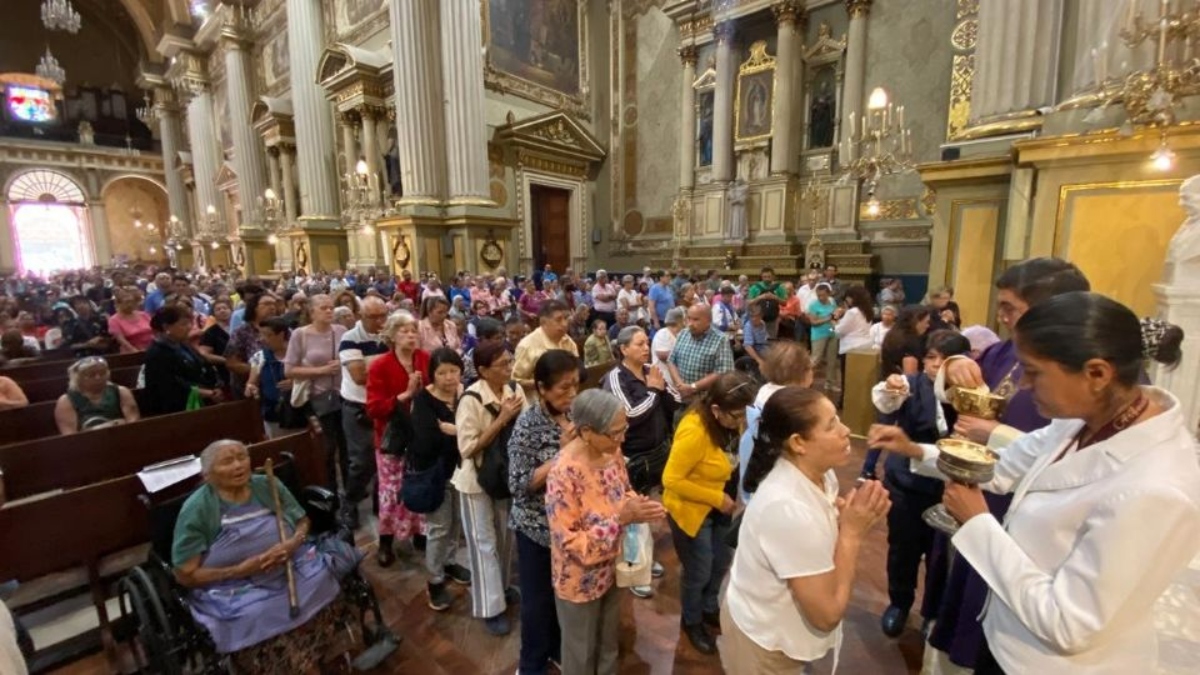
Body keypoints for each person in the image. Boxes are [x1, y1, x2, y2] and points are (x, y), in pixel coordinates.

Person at [870, 293, 1197, 673]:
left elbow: (1068, 624)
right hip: (1009, 636)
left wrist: (977, 524)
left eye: (1034, 372)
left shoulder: (1156, 489)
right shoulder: (1084, 420)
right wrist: (916, 450)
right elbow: (1005, 465)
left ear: (1097, 374)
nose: (1023, 384)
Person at [907, 257, 1090, 672]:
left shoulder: (1082, 373)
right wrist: (954, 365)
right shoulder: (1006, 351)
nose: (1001, 317)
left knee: (992, 614)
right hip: (980, 493)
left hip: (1023, 520)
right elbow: (955, 395)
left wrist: (994, 434)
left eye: (1010, 308)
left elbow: (1064, 453)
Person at [721, 387, 890, 674]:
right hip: (765, 646)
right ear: (798, 442)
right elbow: (826, 615)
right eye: (832, 425)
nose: (846, 431)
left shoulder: (821, 473)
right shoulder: (787, 508)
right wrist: (851, 533)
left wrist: (838, 514)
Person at [172, 440, 353, 674]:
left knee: (321, 579)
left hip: (289, 563)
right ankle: (287, 665)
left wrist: (292, 544)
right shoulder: (197, 508)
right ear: (207, 475)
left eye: (242, 457)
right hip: (234, 583)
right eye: (227, 461)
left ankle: (318, 652)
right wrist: (239, 570)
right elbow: (185, 575)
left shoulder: (267, 484)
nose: (238, 465)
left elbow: (302, 521)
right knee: (255, 613)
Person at [546, 389, 666, 675]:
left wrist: (639, 506)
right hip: (579, 579)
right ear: (587, 431)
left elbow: (622, 491)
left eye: (624, 429)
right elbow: (569, 542)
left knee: (608, 642)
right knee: (580, 652)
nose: (622, 439)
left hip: (612, 566)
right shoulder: (564, 473)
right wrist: (621, 519)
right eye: (615, 433)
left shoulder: (611, 452)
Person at [867, 330, 972, 637]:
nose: (936, 365)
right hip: (907, 482)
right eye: (931, 357)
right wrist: (891, 385)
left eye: (945, 359)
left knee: (941, 554)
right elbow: (886, 399)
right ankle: (899, 603)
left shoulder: (972, 394)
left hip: (950, 487)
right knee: (903, 548)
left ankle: (933, 611)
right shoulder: (910, 385)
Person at [663, 371, 757, 655]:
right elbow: (671, 479)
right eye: (736, 415)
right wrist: (716, 498)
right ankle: (691, 620)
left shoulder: (729, 423)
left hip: (720, 506)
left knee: (721, 561)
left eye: (744, 414)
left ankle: (708, 607)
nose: (741, 421)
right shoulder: (695, 430)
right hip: (691, 510)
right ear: (716, 409)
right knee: (699, 569)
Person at [507, 350, 580, 675]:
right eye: (563, 388)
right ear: (542, 388)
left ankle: (556, 649)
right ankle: (531, 665)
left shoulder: (574, 413)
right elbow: (519, 484)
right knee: (536, 603)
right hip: (536, 527)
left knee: (561, 597)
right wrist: (562, 454)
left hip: (568, 527)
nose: (572, 393)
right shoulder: (529, 424)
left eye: (575, 384)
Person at [602, 326, 680, 598]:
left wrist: (662, 390)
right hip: (631, 456)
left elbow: (675, 401)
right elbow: (629, 415)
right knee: (633, 513)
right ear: (623, 349)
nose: (646, 348)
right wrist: (654, 392)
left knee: (646, 509)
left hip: (656, 451)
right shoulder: (616, 377)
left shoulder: (650, 371)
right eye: (639, 344)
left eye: (647, 342)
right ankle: (635, 571)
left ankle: (644, 559)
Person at [455, 342, 526, 635]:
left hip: (505, 475)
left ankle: (503, 587)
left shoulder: (514, 390)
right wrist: (501, 419)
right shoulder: (471, 399)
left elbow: (523, 429)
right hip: (476, 479)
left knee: (505, 538)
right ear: (483, 371)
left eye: (510, 361)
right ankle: (490, 606)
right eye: (502, 364)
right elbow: (467, 448)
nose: (509, 368)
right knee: (483, 542)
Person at [410, 348, 473, 611]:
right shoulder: (423, 400)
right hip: (435, 474)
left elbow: (474, 428)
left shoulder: (464, 394)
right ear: (432, 375)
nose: (449, 377)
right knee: (438, 528)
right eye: (442, 372)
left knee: (456, 522)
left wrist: (456, 431)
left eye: (454, 371)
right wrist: (462, 434)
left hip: (461, 470)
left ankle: (449, 562)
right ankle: (434, 580)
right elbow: (427, 441)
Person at [365, 311, 429, 567]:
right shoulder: (380, 365)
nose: (411, 336)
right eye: (404, 331)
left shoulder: (424, 358)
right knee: (391, 493)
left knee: (419, 483)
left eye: (414, 331)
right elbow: (374, 408)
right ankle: (386, 541)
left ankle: (420, 534)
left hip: (419, 433)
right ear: (392, 335)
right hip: (392, 438)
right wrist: (406, 394)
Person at [736, 341, 815, 502]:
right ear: (803, 374)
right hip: (775, 457)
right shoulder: (793, 402)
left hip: (752, 446)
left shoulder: (765, 389)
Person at [285, 294, 348, 493]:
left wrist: (342, 363)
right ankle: (330, 491)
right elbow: (289, 370)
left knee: (347, 447)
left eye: (331, 307)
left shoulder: (341, 331)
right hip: (318, 398)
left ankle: (350, 492)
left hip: (343, 395)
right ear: (311, 313)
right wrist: (321, 371)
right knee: (327, 448)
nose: (329, 311)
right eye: (323, 308)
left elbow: (350, 357)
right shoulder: (300, 335)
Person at [338, 296, 390, 529]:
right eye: (373, 317)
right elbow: (359, 377)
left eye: (383, 316)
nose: (379, 321)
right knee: (361, 461)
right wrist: (391, 370)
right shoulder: (351, 338)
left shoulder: (389, 336)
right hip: (359, 405)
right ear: (361, 316)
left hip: (386, 403)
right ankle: (349, 503)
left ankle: (381, 503)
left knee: (387, 456)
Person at [143, 306, 223, 416]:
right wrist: (205, 393)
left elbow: (204, 364)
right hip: (175, 410)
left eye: (190, 323)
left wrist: (216, 386)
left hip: (204, 396)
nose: (189, 327)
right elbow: (170, 385)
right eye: (184, 324)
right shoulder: (157, 353)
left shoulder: (183, 344)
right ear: (167, 327)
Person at [667, 303, 736, 404]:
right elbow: (671, 361)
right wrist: (680, 385)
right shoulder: (683, 334)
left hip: (705, 400)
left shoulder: (720, 339)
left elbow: (723, 372)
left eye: (696, 319)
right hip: (681, 397)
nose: (690, 323)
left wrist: (693, 387)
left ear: (708, 321)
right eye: (688, 319)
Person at [512, 300, 580, 400]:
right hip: (539, 402)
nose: (565, 324)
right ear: (543, 322)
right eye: (559, 320)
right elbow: (515, 381)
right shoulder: (527, 345)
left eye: (566, 318)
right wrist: (546, 384)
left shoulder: (568, 341)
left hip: (568, 399)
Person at [54, 356, 139, 434]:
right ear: (78, 378)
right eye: (91, 374)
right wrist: (111, 424)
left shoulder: (121, 392)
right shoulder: (66, 401)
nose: (98, 377)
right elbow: (70, 436)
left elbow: (133, 422)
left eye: (102, 373)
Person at [245, 318, 293, 438]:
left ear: (281, 335)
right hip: (273, 414)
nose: (262, 339)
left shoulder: (299, 353)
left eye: (267, 335)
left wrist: (297, 383)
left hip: (300, 412)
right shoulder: (260, 357)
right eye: (260, 334)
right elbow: (251, 384)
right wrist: (251, 388)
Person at [225, 294, 278, 400]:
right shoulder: (241, 332)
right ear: (254, 308)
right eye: (267, 304)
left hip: (277, 387)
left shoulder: (282, 330)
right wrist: (260, 370)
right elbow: (232, 363)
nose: (272, 307)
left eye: (274, 304)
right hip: (249, 389)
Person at [880, 305, 931, 377]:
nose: (928, 326)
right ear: (916, 321)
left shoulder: (891, 335)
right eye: (926, 322)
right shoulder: (910, 342)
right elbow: (910, 377)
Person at [198, 298, 233, 393]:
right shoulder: (211, 332)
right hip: (224, 373)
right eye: (218, 309)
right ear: (213, 313)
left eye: (225, 308)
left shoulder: (238, 327)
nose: (222, 311)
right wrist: (225, 360)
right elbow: (204, 354)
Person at [108, 287, 154, 353]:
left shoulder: (144, 315)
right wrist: (136, 352)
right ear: (118, 304)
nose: (130, 304)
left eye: (132, 302)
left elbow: (155, 332)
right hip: (132, 352)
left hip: (152, 349)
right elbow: (121, 340)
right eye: (127, 302)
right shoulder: (114, 320)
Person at [748, 267, 783, 339]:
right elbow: (749, 302)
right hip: (758, 318)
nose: (767, 279)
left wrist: (774, 297)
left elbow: (784, 303)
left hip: (773, 318)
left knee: (771, 339)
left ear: (773, 276)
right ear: (761, 277)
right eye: (764, 277)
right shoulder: (755, 287)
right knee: (758, 339)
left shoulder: (779, 287)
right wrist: (760, 297)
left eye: (769, 277)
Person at [741, 303, 770, 369]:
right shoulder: (748, 326)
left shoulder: (762, 323)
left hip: (765, 349)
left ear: (761, 316)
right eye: (752, 316)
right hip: (756, 352)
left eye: (756, 316)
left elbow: (766, 338)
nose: (753, 319)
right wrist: (759, 360)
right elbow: (748, 346)